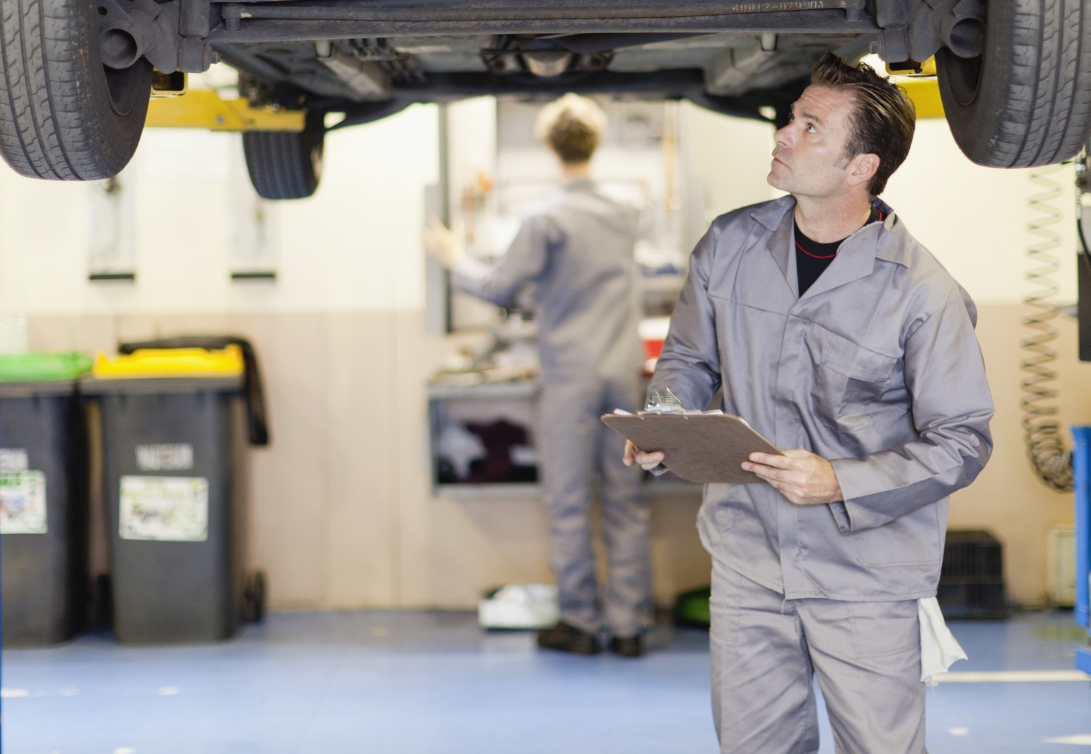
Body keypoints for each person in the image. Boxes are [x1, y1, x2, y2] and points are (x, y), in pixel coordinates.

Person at [626, 55, 994, 753]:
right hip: (748, 559)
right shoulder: (728, 246)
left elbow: (963, 440)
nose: (784, 135)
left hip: (866, 574)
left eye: (810, 127)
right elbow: (687, 360)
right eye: (792, 117)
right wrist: (665, 420)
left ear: (861, 167)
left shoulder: (922, 292)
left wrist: (841, 481)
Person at [425, 94, 652, 657]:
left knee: (570, 500)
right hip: (625, 373)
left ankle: (579, 622)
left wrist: (454, 256)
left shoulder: (545, 218)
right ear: (595, 143)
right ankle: (628, 627)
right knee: (626, 498)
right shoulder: (626, 211)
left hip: (571, 377)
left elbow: (500, 288)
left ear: (551, 147)